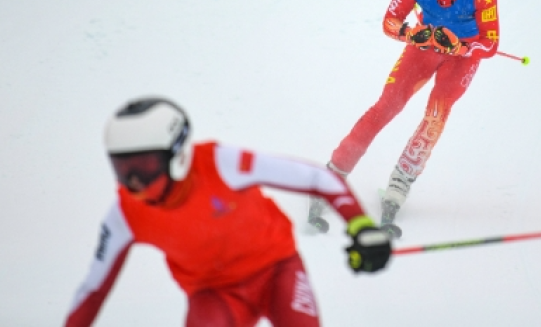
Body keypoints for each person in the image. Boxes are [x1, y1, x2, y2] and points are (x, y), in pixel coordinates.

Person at [64, 97, 391, 327]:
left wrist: (360, 224)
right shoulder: (125, 213)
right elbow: (92, 291)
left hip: (278, 272)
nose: (135, 183)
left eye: (145, 167)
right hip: (214, 294)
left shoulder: (220, 163)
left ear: (176, 154)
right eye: (123, 170)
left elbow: (316, 177)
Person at [308, 0, 499, 236]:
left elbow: (490, 44)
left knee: (436, 113)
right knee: (387, 106)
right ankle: (336, 170)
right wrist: (411, 33)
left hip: (461, 59)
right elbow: (390, 21)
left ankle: (401, 181)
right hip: (423, 49)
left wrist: (461, 47)